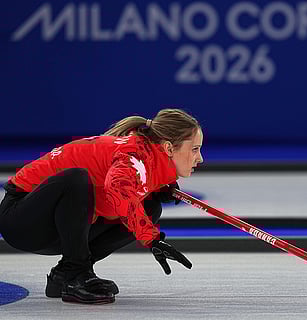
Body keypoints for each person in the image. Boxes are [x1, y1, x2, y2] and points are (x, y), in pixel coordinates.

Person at [0, 108, 203, 304]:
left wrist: (155, 188)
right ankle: (76, 273)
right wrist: (152, 239)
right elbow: (117, 188)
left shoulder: (146, 159)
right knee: (76, 179)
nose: (200, 158)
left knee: (150, 208)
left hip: (50, 224)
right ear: (168, 148)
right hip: (19, 219)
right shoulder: (133, 156)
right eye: (194, 149)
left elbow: (119, 191)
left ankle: (66, 274)